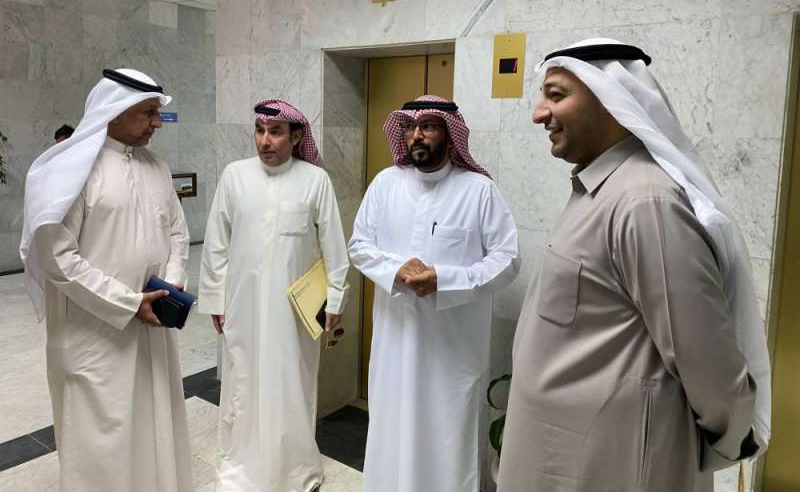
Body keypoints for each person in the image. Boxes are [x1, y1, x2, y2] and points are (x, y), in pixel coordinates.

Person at [497, 39, 770, 492]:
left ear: (611, 98)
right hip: (564, 457)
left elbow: (709, 362)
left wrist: (730, 437)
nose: (539, 113)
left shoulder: (644, 202)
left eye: (556, 95)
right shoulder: (602, 191)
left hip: (614, 466)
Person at [20, 69, 192, 492]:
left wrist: (169, 287)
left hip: (152, 327)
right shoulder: (72, 171)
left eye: (157, 112)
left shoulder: (157, 167)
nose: (157, 123)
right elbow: (58, 258)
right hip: (94, 335)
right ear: (114, 111)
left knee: (153, 424)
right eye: (148, 112)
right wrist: (129, 302)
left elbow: (177, 231)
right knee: (102, 440)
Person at [348, 95, 519, 492]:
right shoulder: (385, 184)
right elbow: (359, 245)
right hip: (395, 345)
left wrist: (444, 279)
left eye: (428, 126)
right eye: (409, 127)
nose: (416, 135)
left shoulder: (479, 191)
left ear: (449, 134)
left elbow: (508, 260)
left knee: (448, 438)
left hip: (452, 351)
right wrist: (395, 269)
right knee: (392, 431)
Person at [198, 99, 350, 492]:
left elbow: (334, 246)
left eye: (276, 132)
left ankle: (295, 468)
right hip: (243, 303)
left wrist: (335, 299)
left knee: (292, 383)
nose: (265, 141)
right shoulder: (235, 175)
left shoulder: (315, 180)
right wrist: (215, 298)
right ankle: (241, 463)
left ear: (296, 137)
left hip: (295, 312)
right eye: (260, 131)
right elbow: (216, 242)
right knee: (243, 380)